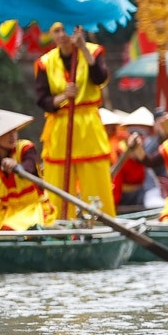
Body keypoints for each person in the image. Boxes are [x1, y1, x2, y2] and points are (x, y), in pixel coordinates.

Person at [34, 21, 113, 218]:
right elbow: (42, 100)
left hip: (88, 124)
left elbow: (100, 78)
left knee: (95, 178)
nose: (62, 35)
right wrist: (62, 97)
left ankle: (101, 221)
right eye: (57, 31)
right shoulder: (45, 62)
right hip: (60, 125)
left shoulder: (93, 52)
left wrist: (83, 49)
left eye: (66, 30)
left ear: (78, 30)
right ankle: (57, 224)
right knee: (57, 181)